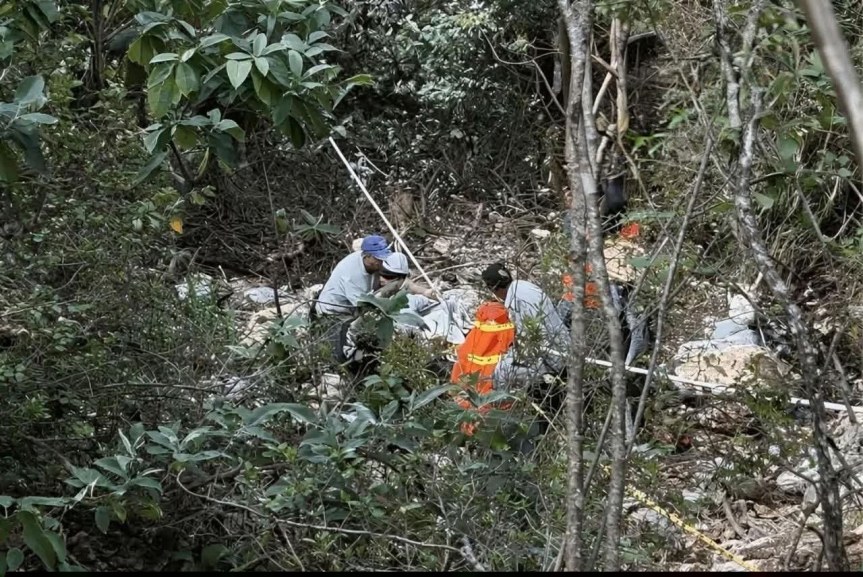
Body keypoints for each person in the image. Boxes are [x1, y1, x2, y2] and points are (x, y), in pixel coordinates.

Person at [482, 263, 568, 397]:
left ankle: (507, 407)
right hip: (563, 344)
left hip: (551, 357)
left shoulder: (515, 301)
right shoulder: (524, 285)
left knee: (501, 373)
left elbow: (533, 337)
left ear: (493, 288)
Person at [450, 300, 516, 436]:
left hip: (467, 412)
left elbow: (455, 385)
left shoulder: (469, 346)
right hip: (497, 414)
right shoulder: (505, 345)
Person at [313, 235, 391, 318]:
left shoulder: (370, 262)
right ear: (367, 256)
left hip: (350, 305)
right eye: (378, 259)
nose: (381, 262)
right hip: (332, 311)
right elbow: (362, 304)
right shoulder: (351, 275)